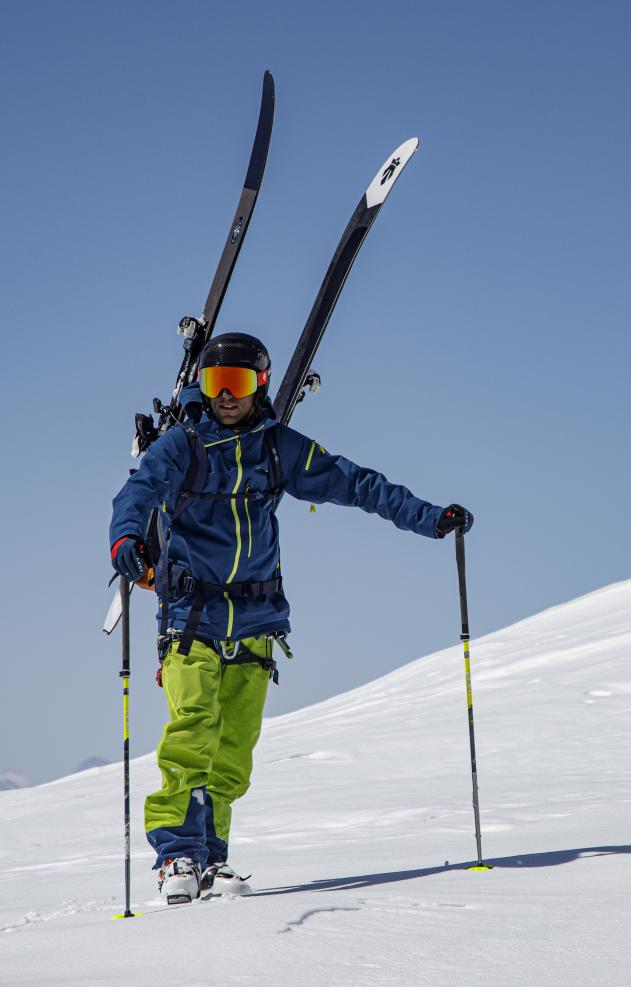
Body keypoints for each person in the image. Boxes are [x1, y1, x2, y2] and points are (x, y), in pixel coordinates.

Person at [109, 332, 472, 904]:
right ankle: (176, 853)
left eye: (238, 384)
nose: (226, 397)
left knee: (233, 748)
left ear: (260, 386)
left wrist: (429, 518)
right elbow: (136, 492)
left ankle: (211, 857)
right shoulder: (181, 446)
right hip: (190, 615)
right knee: (192, 730)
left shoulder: (279, 449)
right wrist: (126, 538)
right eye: (215, 384)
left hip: (256, 620)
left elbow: (356, 483)